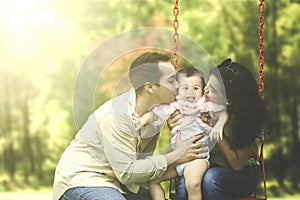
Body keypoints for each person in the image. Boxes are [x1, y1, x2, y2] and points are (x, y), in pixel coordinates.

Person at [52, 52, 207, 200]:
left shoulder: (155, 114)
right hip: (83, 179)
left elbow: (142, 165)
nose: (179, 85)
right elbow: (126, 172)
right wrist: (175, 156)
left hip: (118, 183)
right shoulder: (115, 115)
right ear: (150, 87)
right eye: (172, 81)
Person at [170, 58, 267, 200]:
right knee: (186, 185)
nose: (205, 90)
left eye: (213, 90)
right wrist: (175, 124)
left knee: (210, 179)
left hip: (241, 175)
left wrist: (214, 129)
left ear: (228, 100)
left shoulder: (244, 120)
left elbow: (237, 164)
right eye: (207, 84)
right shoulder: (202, 107)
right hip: (208, 166)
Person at [132, 67, 227, 200]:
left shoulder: (203, 105)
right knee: (153, 180)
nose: (190, 93)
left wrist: (219, 126)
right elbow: (154, 114)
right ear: (177, 89)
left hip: (197, 158)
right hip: (178, 159)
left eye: (196, 88)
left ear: (202, 90)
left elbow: (223, 113)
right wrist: (142, 121)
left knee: (192, 184)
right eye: (185, 88)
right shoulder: (174, 106)